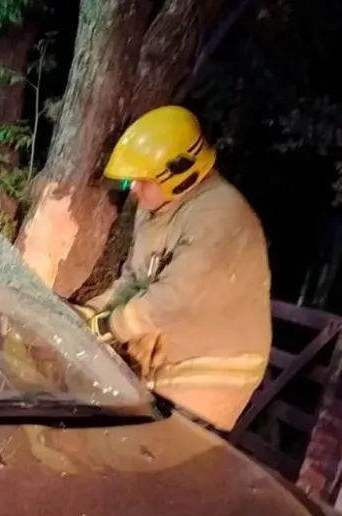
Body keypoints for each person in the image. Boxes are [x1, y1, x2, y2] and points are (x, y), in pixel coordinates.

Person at [76, 105, 272, 432]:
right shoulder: (157, 206)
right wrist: (86, 314)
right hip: (165, 359)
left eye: (142, 182)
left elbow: (175, 298)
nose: (133, 191)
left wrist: (108, 325)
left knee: (143, 445)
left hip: (211, 372)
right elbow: (135, 279)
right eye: (130, 183)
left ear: (180, 173)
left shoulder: (220, 214)